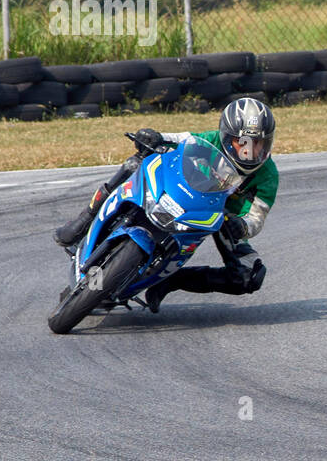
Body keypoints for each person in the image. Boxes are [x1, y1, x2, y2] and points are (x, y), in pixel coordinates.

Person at [53, 97, 279, 312]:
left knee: (250, 276)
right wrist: (156, 136)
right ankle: (83, 221)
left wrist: (243, 226)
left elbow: (258, 215)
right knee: (135, 163)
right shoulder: (212, 141)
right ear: (226, 136)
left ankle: (171, 279)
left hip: (223, 219)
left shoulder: (268, 174)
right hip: (185, 195)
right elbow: (183, 139)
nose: (249, 151)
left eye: (257, 143)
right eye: (243, 143)